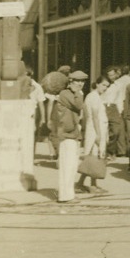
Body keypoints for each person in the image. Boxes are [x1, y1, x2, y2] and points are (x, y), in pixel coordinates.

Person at [53, 71, 88, 203]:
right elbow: (79, 105)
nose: (80, 84)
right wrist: (78, 93)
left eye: (82, 81)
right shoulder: (66, 94)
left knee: (72, 166)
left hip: (72, 133)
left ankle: (69, 194)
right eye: (77, 81)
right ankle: (65, 196)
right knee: (67, 166)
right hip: (67, 134)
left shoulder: (73, 94)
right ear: (70, 81)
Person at [76, 74, 109, 195]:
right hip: (95, 129)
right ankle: (93, 185)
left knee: (92, 157)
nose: (105, 88)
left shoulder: (96, 97)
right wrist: (99, 134)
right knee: (94, 157)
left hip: (97, 128)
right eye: (104, 85)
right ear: (97, 84)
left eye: (107, 86)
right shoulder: (93, 97)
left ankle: (81, 183)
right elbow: (95, 117)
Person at [103, 65, 129, 159]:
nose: (112, 77)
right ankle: (107, 153)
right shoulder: (104, 84)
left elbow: (120, 98)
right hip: (104, 106)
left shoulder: (119, 85)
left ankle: (111, 150)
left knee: (116, 131)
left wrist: (120, 110)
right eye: (110, 75)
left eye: (113, 75)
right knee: (104, 131)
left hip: (114, 108)